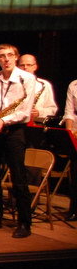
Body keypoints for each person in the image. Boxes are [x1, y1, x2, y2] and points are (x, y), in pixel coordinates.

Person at [0, 44, 38, 238]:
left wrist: (3, 121)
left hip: (14, 130)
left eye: (9, 55)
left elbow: (24, 111)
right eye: (1, 56)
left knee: (18, 177)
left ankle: (24, 223)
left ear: (16, 57)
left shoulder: (27, 78)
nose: (6, 59)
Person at [18, 54, 58, 124]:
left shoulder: (45, 84)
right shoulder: (11, 84)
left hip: (36, 124)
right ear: (17, 67)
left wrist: (39, 112)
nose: (25, 67)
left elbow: (52, 109)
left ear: (35, 67)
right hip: (15, 124)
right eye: (22, 65)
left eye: (29, 65)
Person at [62, 79, 77, 221]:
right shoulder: (73, 85)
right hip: (76, 132)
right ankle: (74, 209)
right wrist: (70, 133)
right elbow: (69, 112)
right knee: (75, 173)